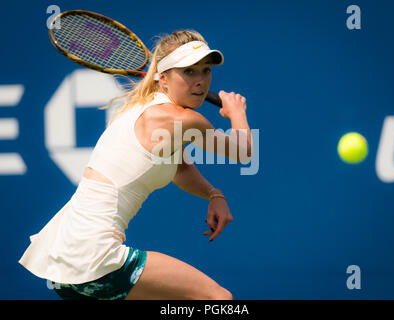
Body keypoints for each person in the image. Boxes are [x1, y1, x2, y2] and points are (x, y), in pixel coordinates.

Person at [19, 30, 253, 300]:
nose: (201, 81)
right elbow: (243, 151)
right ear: (163, 79)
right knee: (218, 300)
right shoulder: (184, 119)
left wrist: (214, 194)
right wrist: (237, 112)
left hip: (66, 261)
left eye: (206, 70)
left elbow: (179, 167)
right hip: (97, 259)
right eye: (189, 72)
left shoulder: (144, 107)